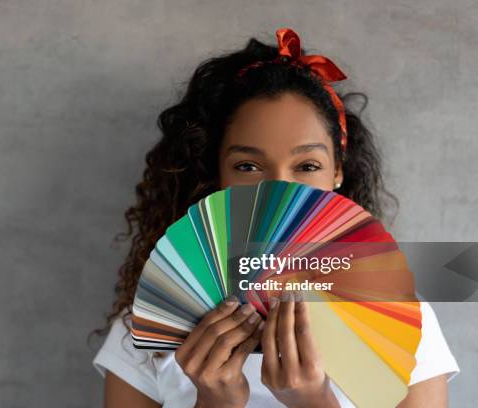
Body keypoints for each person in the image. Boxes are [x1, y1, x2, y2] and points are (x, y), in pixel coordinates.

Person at [92, 28, 459, 408]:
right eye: (248, 165)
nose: (278, 191)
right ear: (217, 174)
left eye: (307, 165)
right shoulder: (143, 335)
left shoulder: (402, 324)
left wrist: (315, 402)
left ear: (338, 172)